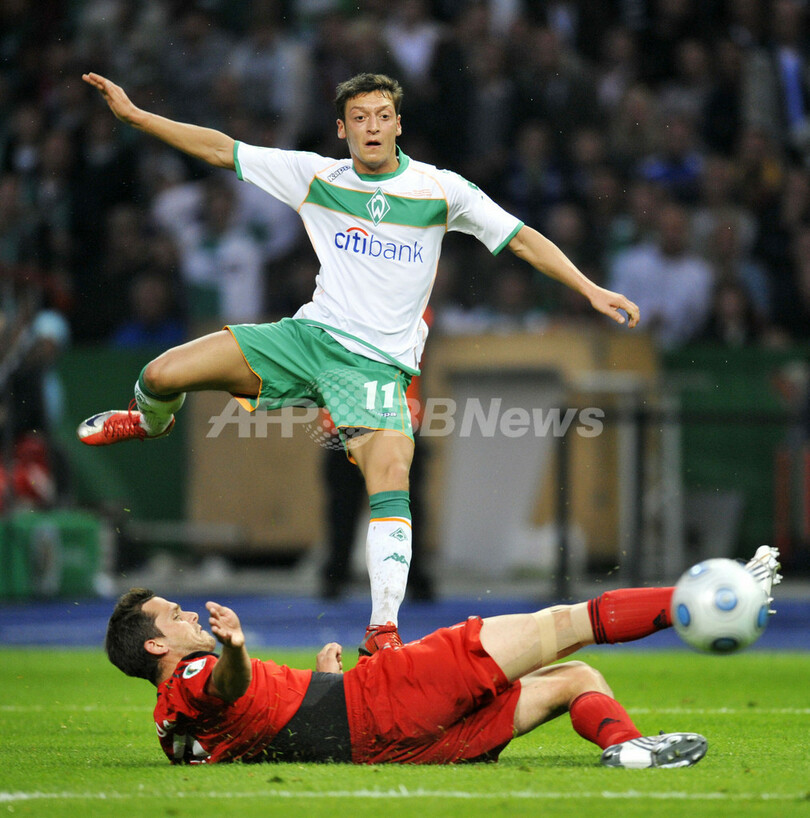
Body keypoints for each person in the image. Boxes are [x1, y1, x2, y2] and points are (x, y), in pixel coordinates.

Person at [77, 71, 640, 654]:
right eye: (360, 118)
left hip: (373, 367)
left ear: (398, 124)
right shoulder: (317, 176)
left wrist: (588, 288)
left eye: (382, 116)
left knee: (391, 476)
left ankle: (383, 629)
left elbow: (520, 237)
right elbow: (222, 150)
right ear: (342, 130)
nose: (372, 127)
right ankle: (150, 421)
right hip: (306, 338)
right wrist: (138, 117)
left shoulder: (441, 190)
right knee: (159, 375)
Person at [103, 547, 781, 768]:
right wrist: (236, 648)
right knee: (562, 626)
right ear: (156, 646)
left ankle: (626, 751)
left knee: (574, 678)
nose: (188, 615)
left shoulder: (173, 728)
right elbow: (223, 686)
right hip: (384, 702)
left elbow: (255, 726)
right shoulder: (193, 675)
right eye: (173, 616)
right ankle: (705, 597)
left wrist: (325, 683)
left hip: (394, 746)